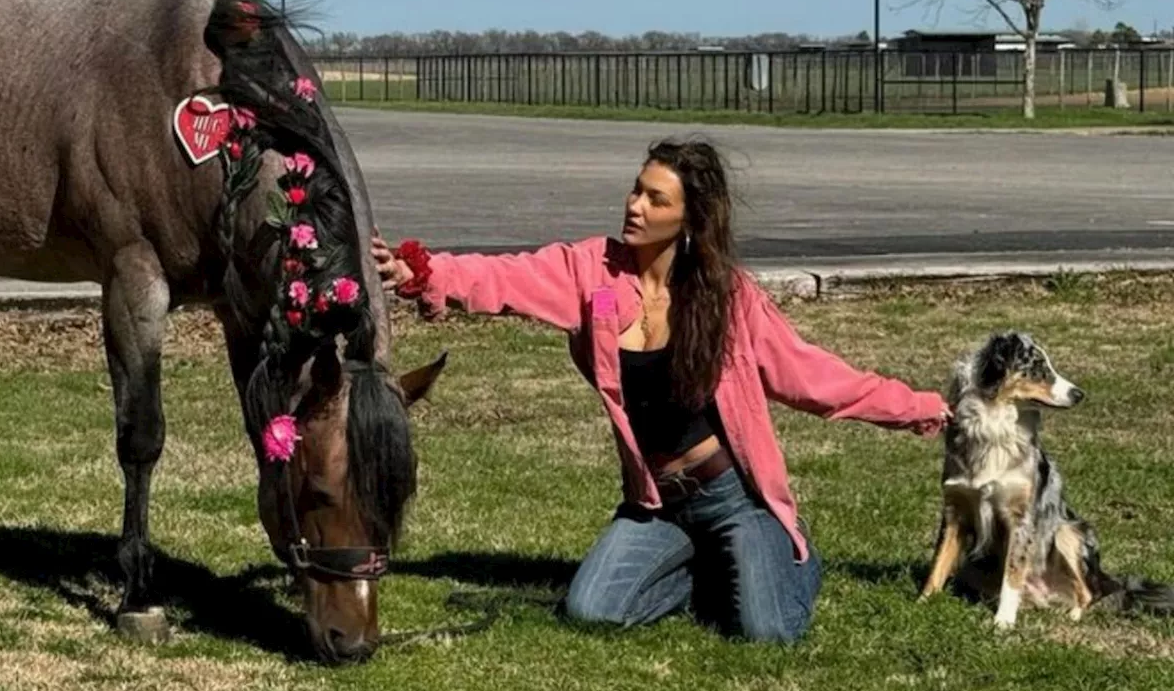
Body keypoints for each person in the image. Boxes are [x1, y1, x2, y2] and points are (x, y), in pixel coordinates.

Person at [371, 137, 950, 643]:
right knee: (592, 612)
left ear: (691, 219)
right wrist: (419, 272)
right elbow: (503, 277)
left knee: (768, 631)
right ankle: (701, 568)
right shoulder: (592, 271)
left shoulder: (727, 297)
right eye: (635, 190)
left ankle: (788, 551)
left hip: (732, 497)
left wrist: (921, 408)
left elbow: (815, 378)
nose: (635, 206)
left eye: (656, 199)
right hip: (657, 505)